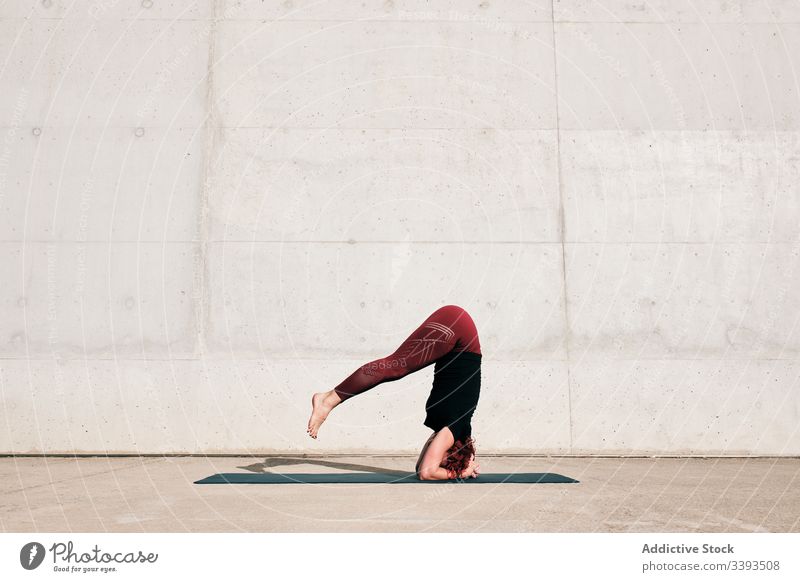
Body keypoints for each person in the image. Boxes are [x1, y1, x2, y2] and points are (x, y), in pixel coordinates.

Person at [307, 304, 482, 480]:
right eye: (440, 460)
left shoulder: (455, 428)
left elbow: (419, 467)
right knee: (396, 367)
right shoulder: (452, 431)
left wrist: (463, 463)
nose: (434, 456)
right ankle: (327, 400)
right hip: (458, 329)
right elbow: (426, 472)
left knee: (396, 366)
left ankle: (328, 399)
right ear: (451, 454)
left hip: (458, 331)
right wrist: (461, 471)